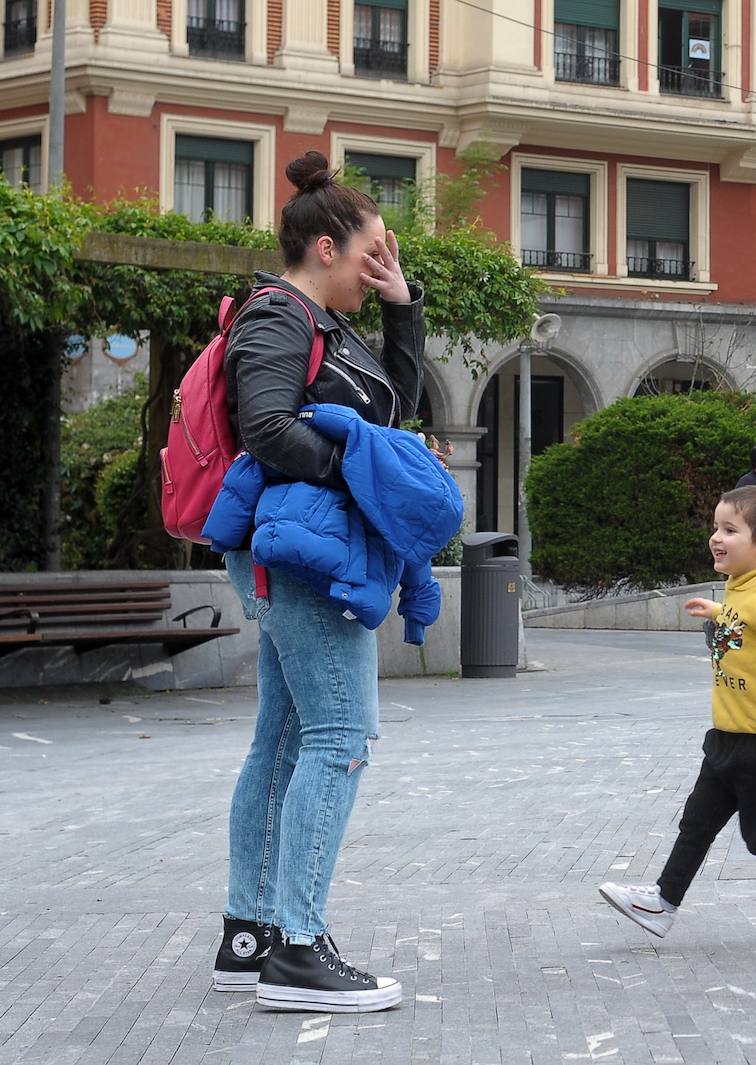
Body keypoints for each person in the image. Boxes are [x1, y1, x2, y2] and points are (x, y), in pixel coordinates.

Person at [210, 150, 428, 1013]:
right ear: (328, 248)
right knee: (339, 734)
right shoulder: (280, 315)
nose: (381, 269)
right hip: (299, 551)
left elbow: (392, 411)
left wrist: (401, 304)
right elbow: (264, 425)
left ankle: (250, 933)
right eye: (374, 255)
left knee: (286, 738)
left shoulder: (328, 326)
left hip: (305, 546)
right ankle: (297, 947)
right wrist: (362, 475)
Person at [599, 486, 756, 947]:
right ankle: (662, 903)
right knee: (696, 821)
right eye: (716, 527)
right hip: (728, 733)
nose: (716, 537)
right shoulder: (742, 587)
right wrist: (717, 610)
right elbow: (743, 621)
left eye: (729, 530)